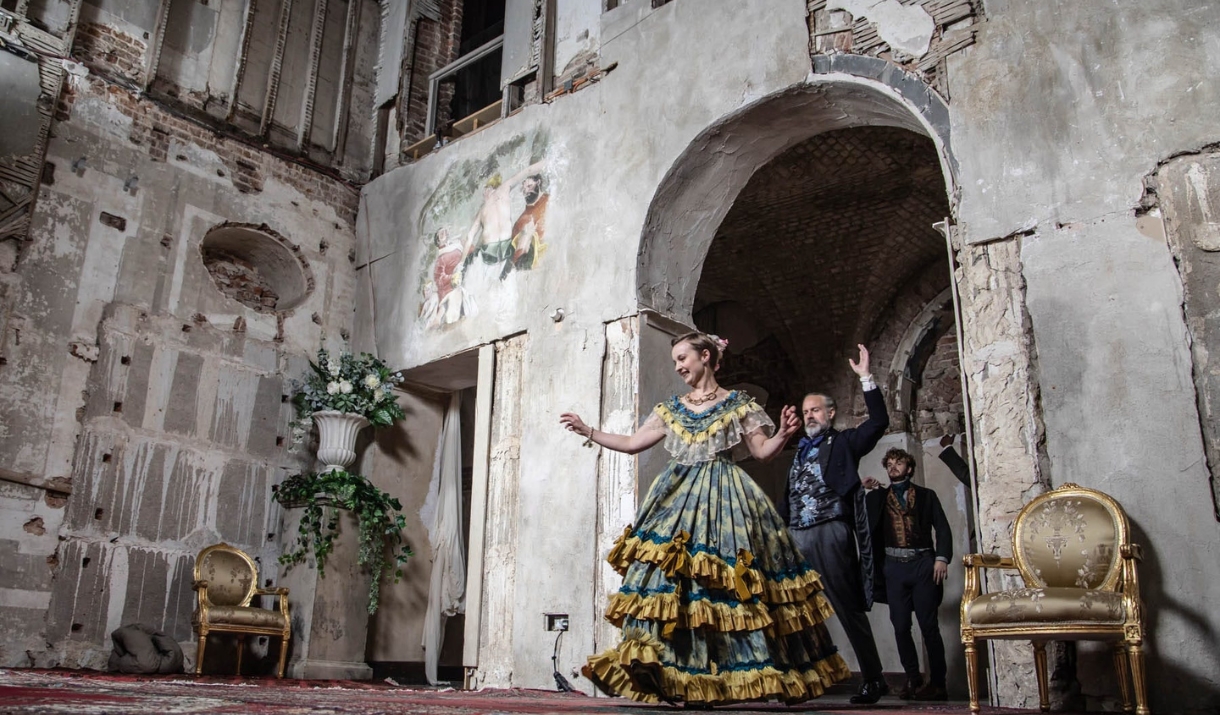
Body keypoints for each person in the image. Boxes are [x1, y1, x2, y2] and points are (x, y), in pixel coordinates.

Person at [559, 332, 851, 707]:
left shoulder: (739, 405)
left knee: (728, 586)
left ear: (706, 356)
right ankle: (684, 678)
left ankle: (729, 679)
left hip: (726, 499)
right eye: (675, 361)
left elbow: (762, 452)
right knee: (673, 585)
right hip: (678, 498)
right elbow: (633, 443)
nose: (679, 366)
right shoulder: (671, 409)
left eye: (683, 358)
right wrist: (590, 431)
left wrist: (782, 434)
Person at [777, 345, 889, 705]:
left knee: (845, 605)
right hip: (795, 533)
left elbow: (877, 424)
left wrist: (866, 379)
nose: (810, 415)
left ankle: (874, 678)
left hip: (830, 530)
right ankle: (800, 681)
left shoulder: (843, 442)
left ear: (831, 412)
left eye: (816, 410)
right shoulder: (796, 449)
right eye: (806, 410)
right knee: (793, 609)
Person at [866, 448, 952, 701]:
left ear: (910, 468)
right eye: (889, 463)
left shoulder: (927, 496)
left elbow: (943, 529)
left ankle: (938, 683)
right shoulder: (877, 498)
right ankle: (913, 679)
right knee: (901, 626)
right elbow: (856, 515)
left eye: (899, 463)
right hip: (893, 567)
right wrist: (863, 489)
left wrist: (941, 558)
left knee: (929, 626)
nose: (893, 467)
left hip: (924, 564)